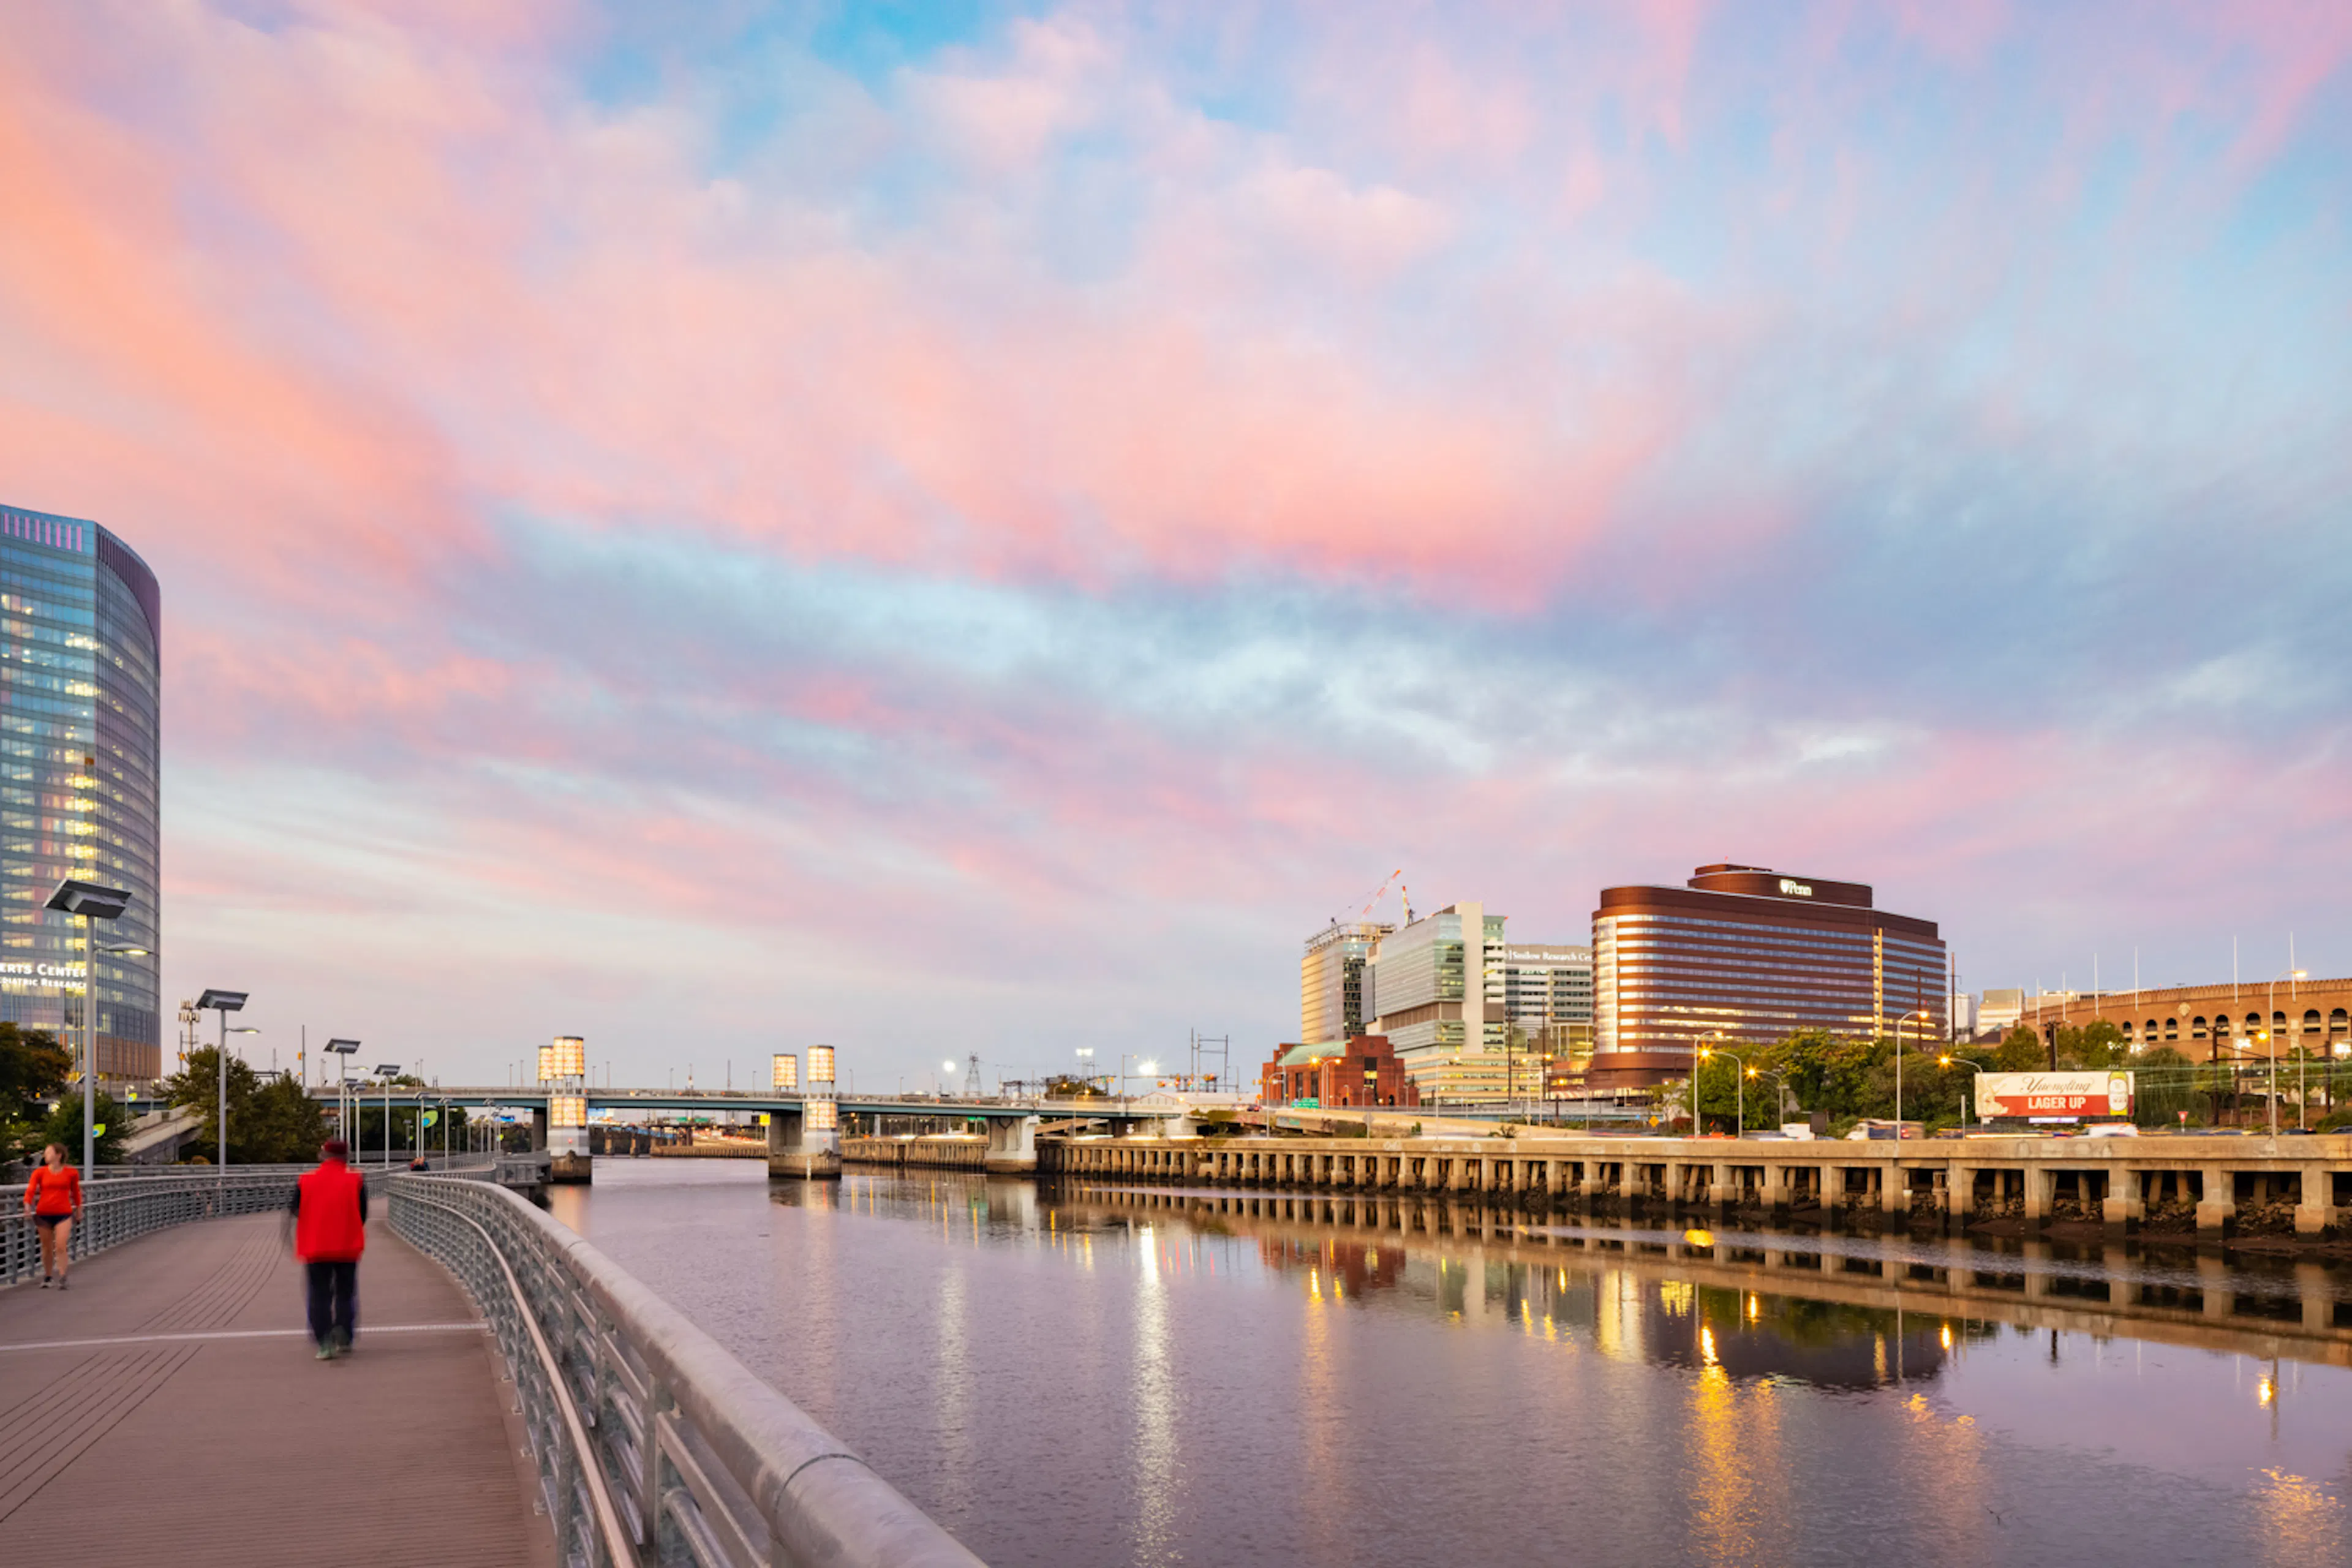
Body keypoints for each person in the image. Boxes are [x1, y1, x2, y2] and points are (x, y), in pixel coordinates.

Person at [288, 1137, 366, 1359]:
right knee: (345, 1292)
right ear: (346, 1156)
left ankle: (324, 1341)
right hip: (347, 1245)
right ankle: (344, 1331)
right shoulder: (356, 1179)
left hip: (316, 1245)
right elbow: (363, 1213)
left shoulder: (306, 1180)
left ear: (323, 1155)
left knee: (319, 1294)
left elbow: (295, 1208)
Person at [21, 1143, 82, 1289]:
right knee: (47, 1247)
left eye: (49, 1153)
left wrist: (79, 1209)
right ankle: (48, 1276)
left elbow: (76, 1192)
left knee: (61, 1245)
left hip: (64, 1213)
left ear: (58, 1155)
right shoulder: (40, 1172)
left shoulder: (71, 1172)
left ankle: (63, 1276)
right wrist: (27, 1205)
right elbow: (31, 1190)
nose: (45, 1156)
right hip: (44, 1213)